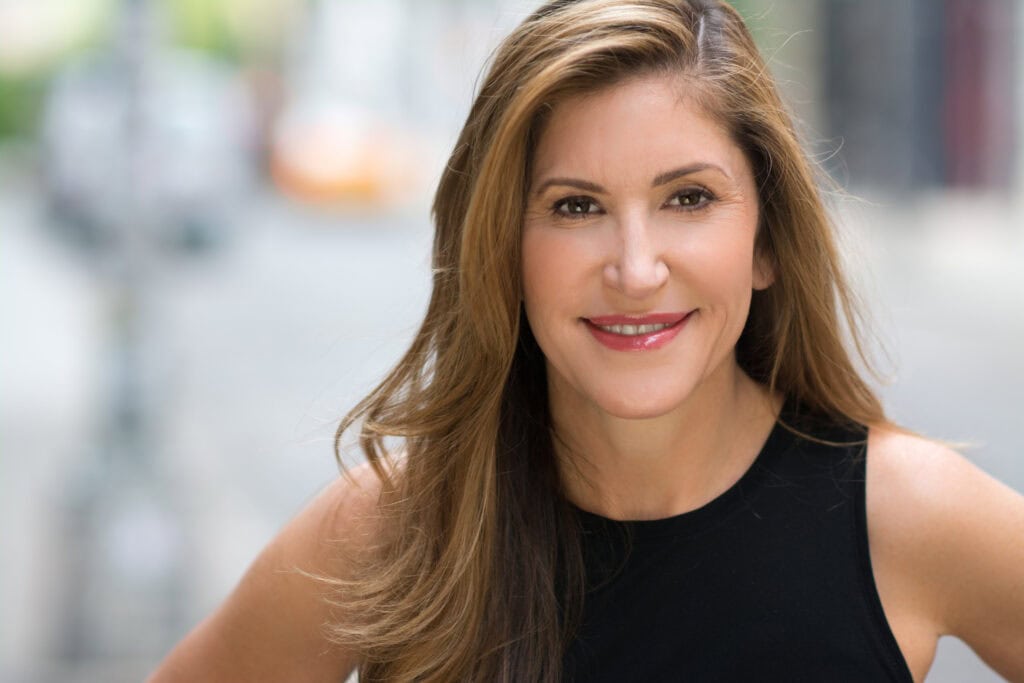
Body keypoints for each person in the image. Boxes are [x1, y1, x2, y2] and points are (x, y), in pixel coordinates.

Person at [149, 1, 1024, 681]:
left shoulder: (904, 515)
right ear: (504, 250)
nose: (636, 268)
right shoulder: (395, 526)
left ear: (764, 242)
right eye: (576, 207)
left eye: (689, 198)